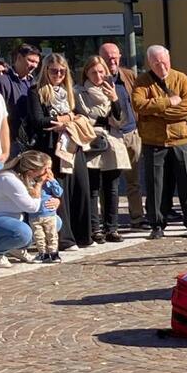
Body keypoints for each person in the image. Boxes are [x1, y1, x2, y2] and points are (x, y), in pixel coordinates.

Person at [131, 44, 187, 240]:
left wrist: (157, 113)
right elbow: (138, 105)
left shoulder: (181, 78)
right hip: (154, 141)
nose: (161, 66)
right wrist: (168, 102)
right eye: (156, 63)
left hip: (180, 139)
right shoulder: (142, 81)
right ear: (149, 63)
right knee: (155, 185)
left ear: (169, 59)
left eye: (164, 62)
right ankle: (157, 224)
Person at [27, 53, 93, 248]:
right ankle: (65, 238)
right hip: (51, 148)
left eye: (62, 72)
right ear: (46, 70)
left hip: (72, 145)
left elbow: (81, 115)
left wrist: (67, 120)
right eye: (54, 71)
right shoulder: (36, 91)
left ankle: (83, 235)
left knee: (81, 187)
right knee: (59, 190)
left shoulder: (69, 91)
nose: (58, 75)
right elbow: (39, 121)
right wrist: (66, 118)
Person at [77, 55, 131, 243]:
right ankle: (95, 228)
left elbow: (121, 119)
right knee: (92, 187)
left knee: (112, 188)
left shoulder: (112, 91)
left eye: (101, 72)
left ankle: (112, 228)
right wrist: (103, 119)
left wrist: (114, 99)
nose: (98, 76)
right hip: (91, 141)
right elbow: (84, 116)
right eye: (93, 72)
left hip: (113, 141)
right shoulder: (80, 92)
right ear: (87, 73)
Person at [100, 42, 145, 229]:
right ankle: (109, 222)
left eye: (115, 56)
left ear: (120, 57)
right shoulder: (97, 78)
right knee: (109, 182)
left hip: (132, 133)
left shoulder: (129, 76)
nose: (112, 60)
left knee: (134, 181)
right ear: (101, 58)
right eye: (108, 57)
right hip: (111, 136)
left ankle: (137, 218)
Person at [0, 151, 56, 267]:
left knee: (54, 222)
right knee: (23, 232)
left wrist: (56, 200)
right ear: (31, 171)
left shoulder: (27, 176)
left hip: (14, 219)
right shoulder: (9, 179)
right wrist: (39, 184)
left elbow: (43, 198)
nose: (48, 173)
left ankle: (15, 247)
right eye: (46, 169)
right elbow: (32, 207)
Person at [0, 44, 39, 145]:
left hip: (30, 140)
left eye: (37, 62)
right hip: (11, 140)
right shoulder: (3, 82)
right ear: (19, 57)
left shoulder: (33, 82)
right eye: (31, 61)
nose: (34, 65)